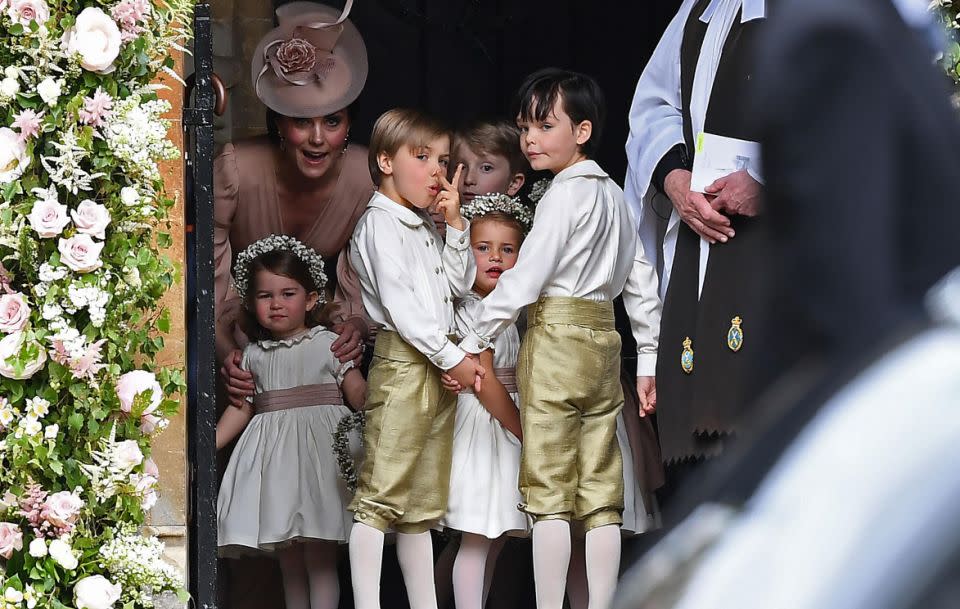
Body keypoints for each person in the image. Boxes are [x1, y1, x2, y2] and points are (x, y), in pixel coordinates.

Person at [456, 68, 662, 609]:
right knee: (600, 491)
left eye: (545, 126)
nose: (530, 139)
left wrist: (475, 331)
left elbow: (526, 278)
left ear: (583, 130)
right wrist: (649, 361)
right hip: (603, 341)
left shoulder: (561, 197)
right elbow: (641, 281)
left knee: (548, 490)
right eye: (525, 127)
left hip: (555, 342)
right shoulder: (617, 197)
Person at [624, 0, 767, 481]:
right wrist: (672, 176)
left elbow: (851, 119)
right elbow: (655, 106)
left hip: (782, 247)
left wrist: (773, 182)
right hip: (700, 237)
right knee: (701, 472)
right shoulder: (701, 8)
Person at [347, 108, 484, 609]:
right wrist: (452, 358)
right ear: (385, 160)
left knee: (420, 507)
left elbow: (460, 286)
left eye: (444, 160)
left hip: (433, 364)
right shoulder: (380, 225)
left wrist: (454, 227)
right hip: (406, 367)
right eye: (421, 157)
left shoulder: (425, 227)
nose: (437, 172)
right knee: (379, 497)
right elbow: (405, 311)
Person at [216, 1, 372, 408]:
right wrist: (229, 353)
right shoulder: (236, 168)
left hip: (316, 339)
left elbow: (361, 273)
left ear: (349, 125)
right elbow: (209, 279)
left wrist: (352, 321)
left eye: (333, 121)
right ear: (280, 123)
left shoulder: (364, 175)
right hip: (240, 333)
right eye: (302, 122)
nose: (318, 138)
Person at [216, 235, 366, 609]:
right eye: (266, 296)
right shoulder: (251, 355)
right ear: (251, 303)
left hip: (321, 461)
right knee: (290, 562)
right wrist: (209, 445)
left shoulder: (329, 344)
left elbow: (358, 394)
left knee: (320, 558)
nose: (277, 304)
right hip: (277, 464)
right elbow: (241, 406)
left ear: (312, 299)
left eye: (288, 293)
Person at [440, 192, 533, 609]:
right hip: (487, 424)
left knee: (493, 538)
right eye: (483, 247)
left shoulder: (508, 308)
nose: (495, 257)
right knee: (478, 538)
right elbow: (485, 381)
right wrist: (523, 431)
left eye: (507, 249)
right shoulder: (476, 309)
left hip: (502, 419)